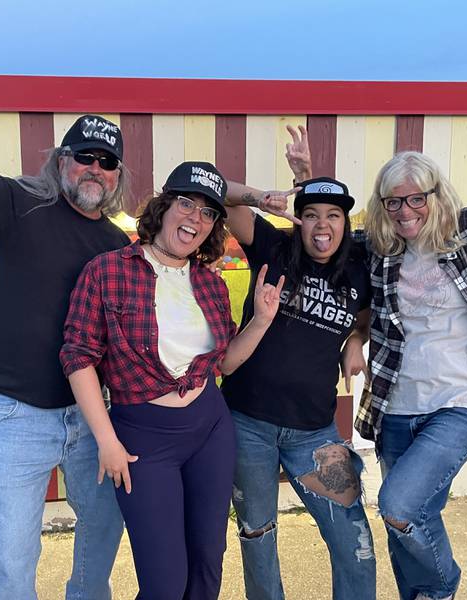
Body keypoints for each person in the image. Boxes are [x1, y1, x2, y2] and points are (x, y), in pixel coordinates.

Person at [290, 116, 467, 600]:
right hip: (397, 407)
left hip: (463, 403)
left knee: (398, 505)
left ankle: (443, 586)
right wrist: (305, 181)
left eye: (415, 198)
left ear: (435, 194)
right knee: (408, 522)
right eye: (393, 201)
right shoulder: (381, 249)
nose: (405, 211)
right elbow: (325, 237)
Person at [0, 34, 128, 600]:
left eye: (107, 162)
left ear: (117, 176)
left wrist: (260, 193)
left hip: (92, 420)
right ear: (62, 162)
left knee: (103, 535)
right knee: (11, 561)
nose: (95, 169)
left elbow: (192, 201)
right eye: (83, 156)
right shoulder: (19, 204)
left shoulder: (118, 245)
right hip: (16, 418)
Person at [60, 161, 284, 600]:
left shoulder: (210, 283)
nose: (194, 219)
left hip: (209, 429)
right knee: (164, 582)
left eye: (207, 213)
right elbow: (78, 356)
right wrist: (107, 441)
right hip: (142, 438)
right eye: (186, 204)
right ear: (163, 208)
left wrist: (260, 321)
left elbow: (225, 365)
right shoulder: (107, 271)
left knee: (206, 565)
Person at [219, 125, 376, 600]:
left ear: (346, 223)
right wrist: (263, 195)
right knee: (257, 535)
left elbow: (365, 318)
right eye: (311, 215)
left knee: (354, 540)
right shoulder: (275, 248)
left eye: (333, 216)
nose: (322, 225)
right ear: (298, 221)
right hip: (248, 425)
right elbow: (218, 192)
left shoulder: (358, 268)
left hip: (316, 431)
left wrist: (355, 339)